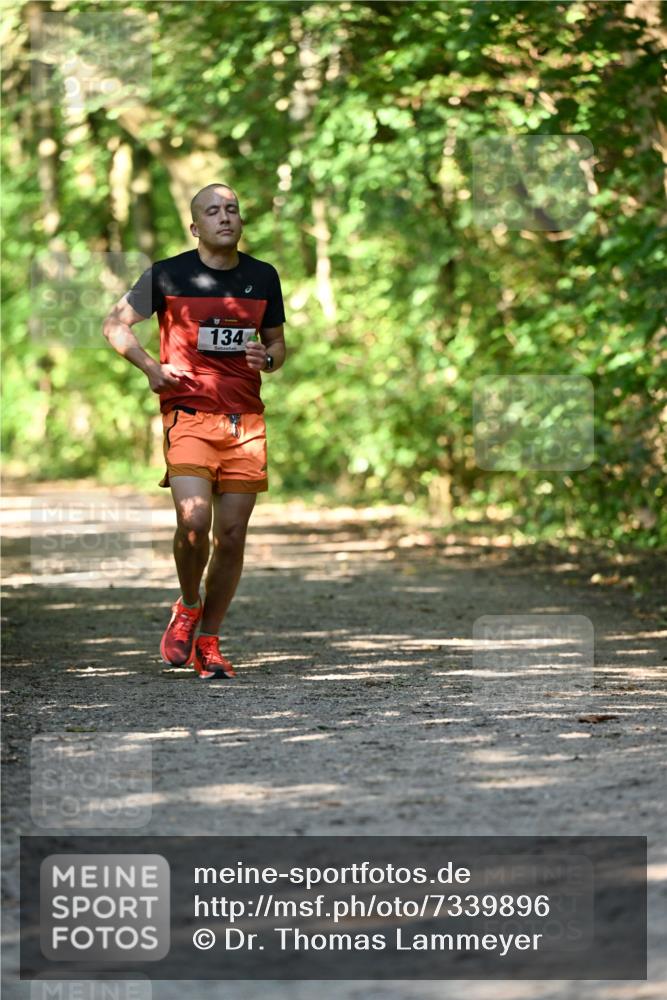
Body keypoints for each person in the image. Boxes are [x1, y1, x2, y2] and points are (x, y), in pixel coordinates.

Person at [102, 183, 286, 679]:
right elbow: (114, 325)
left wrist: (264, 358)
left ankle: (209, 638)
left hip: (244, 420)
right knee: (194, 519)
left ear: (240, 220)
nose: (224, 217)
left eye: (232, 209)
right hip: (187, 414)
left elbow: (277, 348)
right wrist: (150, 367)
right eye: (213, 211)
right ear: (195, 226)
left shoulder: (263, 277)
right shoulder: (167, 273)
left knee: (232, 534)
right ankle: (187, 605)